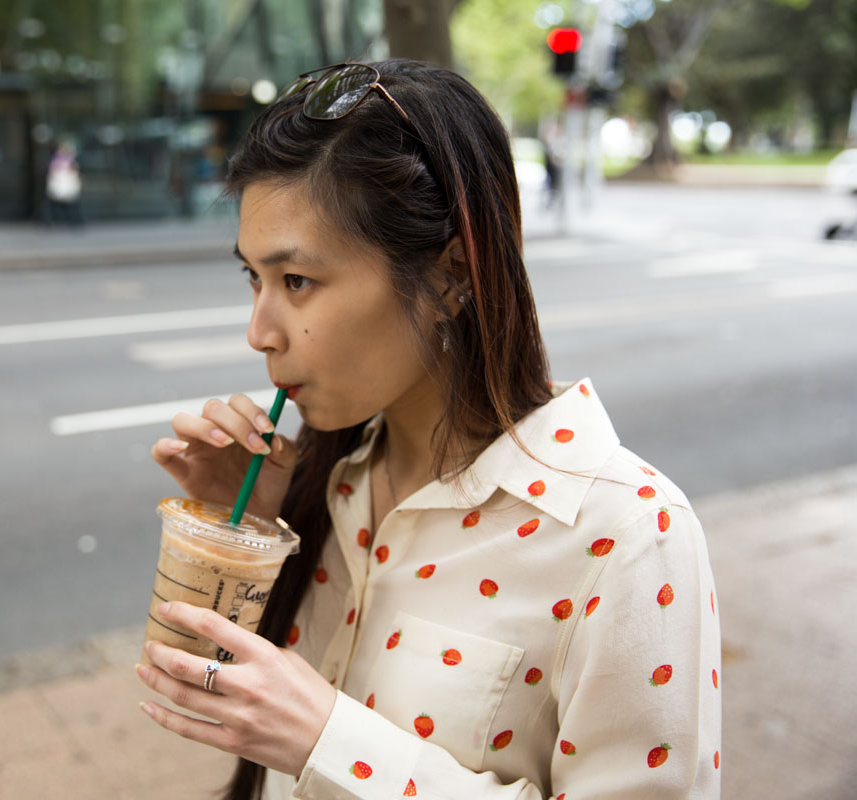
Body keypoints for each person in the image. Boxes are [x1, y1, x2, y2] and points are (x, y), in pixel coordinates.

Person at [138, 60, 721, 800]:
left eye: (296, 282)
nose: (259, 332)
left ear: (450, 277)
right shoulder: (328, 481)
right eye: (252, 278)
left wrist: (330, 739)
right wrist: (256, 526)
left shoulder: (629, 536)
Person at [45, 142, 84, 227]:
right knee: (55, 207)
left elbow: (75, 173)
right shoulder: (55, 161)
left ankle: (75, 222)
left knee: (71, 206)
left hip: (68, 187)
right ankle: (51, 222)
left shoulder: (71, 161)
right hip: (59, 187)